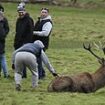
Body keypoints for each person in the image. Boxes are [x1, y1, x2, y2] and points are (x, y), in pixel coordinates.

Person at [14, 5, 34, 78]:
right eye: (19, 12)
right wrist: (16, 42)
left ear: (25, 12)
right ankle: (22, 74)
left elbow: (30, 32)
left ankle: (33, 73)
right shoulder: (18, 20)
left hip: (25, 43)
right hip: (18, 42)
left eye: (22, 12)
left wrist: (26, 43)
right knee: (19, 59)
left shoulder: (29, 20)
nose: (21, 13)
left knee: (25, 59)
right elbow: (17, 32)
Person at [33, 8, 53, 79]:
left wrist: (34, 33)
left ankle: (41, 75)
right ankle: (42, 73)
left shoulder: (47, 22)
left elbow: (45, 33)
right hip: (36, 43)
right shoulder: (39, 21)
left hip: (42, 43)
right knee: (38, 59)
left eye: (45, 12)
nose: (43, 13)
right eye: (42, 12)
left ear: (48, 14)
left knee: (39, 59)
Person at [0, 4, 9, 78]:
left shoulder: (4, 20)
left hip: (1, 42)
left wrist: (4, 35)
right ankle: (6, 74)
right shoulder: (3, 20)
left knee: (2, 57)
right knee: (2, 58)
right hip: (2, 42)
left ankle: (6, 74)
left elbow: (7, 29)